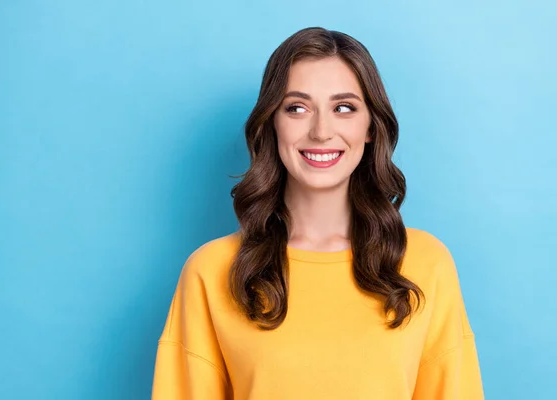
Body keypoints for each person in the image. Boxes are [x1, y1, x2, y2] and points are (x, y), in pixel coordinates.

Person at [151, 27, 484, 399]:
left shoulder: (426, 264)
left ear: (370, 126)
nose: (321, 131)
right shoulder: (211, 270)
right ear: (272, 122)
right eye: (297, 107)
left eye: (344, 108)